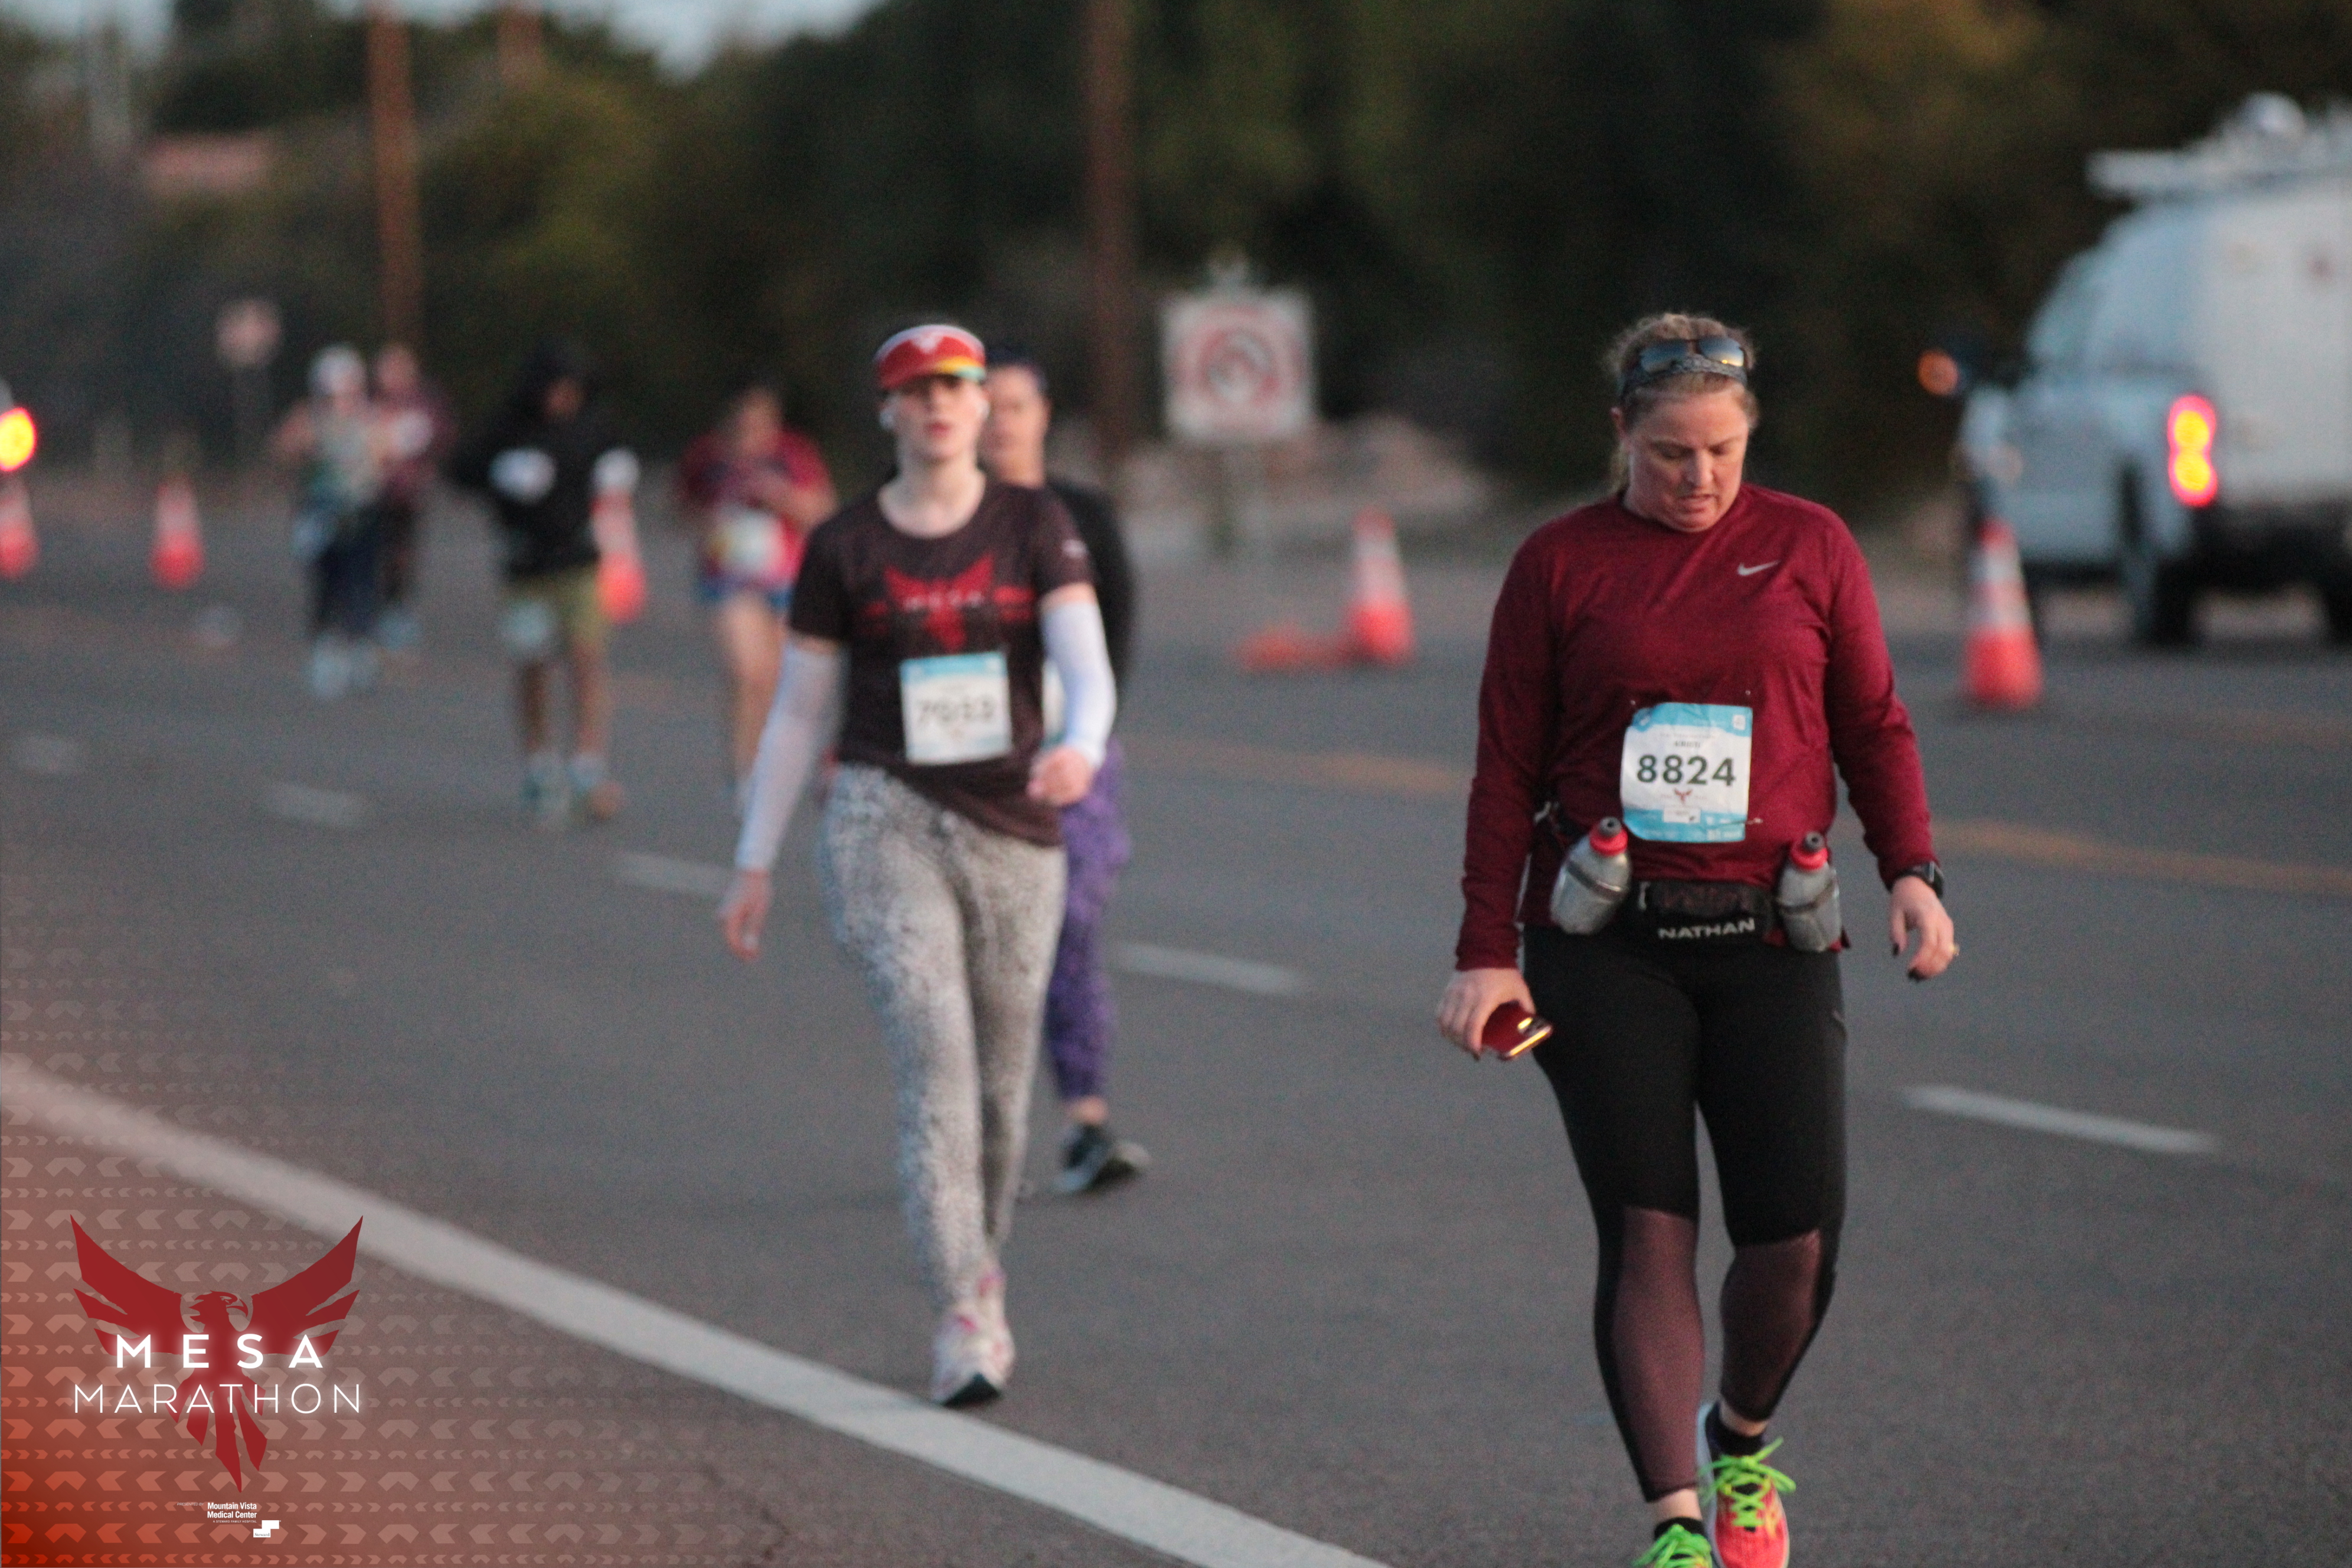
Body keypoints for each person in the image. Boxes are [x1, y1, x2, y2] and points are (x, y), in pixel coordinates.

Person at [1435, 313, 1956, 1568]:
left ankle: (1741, 1438)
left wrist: (1912, 871)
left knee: (1795, 1242)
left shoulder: (1810, 545)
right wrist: (1483, 949)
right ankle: (1673, 1521)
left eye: (1722, 450)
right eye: (1671, 451)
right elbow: (1505, 766)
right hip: (1604, 942)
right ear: (1622, 432)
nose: (1699, 477)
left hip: (1772, 932)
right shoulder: (1559, 563)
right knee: (1649, 1228)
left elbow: (1871, 721)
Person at [718, 324, 1117, 1406]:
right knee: (935, 1060)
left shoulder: (1034, 525)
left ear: (983, 404)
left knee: (1001, 1094)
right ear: (887, 409)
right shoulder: (843, 545)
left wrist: (1081, 748)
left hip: (1015, 826)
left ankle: (980, 1266)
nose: (938, 403)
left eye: (956, 386)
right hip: (883, 815)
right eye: (916, 389)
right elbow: (797, 709)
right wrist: (753, 859)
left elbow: (1085, 668)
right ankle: (961, 1312)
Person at [979, 349, 1148, 1194]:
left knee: (1069, 924)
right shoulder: (940, 520)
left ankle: (1085, 1120)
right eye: (987, 405)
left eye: (1016, 405)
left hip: (1072, 759)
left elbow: (1116, 634)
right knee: (983, 946)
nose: (1000, 422)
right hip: (970, 764)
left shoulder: (1083, 513)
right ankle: (979, 1123)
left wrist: (1086, 738)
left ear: (1044, 414)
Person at [447, 339, 636, 828]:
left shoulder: (593, 424)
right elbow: (459, 469)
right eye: (555, 390)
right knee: (533, 665)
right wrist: (496, 474)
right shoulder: (508, 426)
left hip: (579, 561)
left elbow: (617, 457)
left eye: (571, 390)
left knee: (587, 658)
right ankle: (539, 764)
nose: (563, 400)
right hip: (526, 569)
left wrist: (618, 470)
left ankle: (588, 765)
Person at [676, 385, 837, 806]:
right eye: (742, 425)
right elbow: (680, 509)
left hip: (784, 580)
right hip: (729, 580)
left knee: (775, 679)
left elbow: (823, 510)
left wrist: (780, 496)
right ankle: (742, 771)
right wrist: (707, 521)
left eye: (760, 425)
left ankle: (768, 764)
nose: (751, 434)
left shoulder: (792, 454)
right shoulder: (707, 456)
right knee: (745, 671)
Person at [272, 345, 388, 700]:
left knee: (363, 581)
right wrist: (308, 443)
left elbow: (385, 455)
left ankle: (362, 651)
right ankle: (326, 651)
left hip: (362, 512)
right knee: (326, 584)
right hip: (321, 514)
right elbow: (283, 450)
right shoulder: (308, 419)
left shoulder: (370, 417)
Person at [370, 343, 453, 655]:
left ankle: (397, 610)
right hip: (370, 494)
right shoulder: (369, 405)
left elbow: (442, 437)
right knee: (373, 553)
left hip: (405, 496)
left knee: (401, 553)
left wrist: (426, 466)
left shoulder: (423, 405)